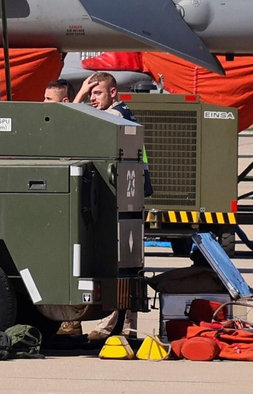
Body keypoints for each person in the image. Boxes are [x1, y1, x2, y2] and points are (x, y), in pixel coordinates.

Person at [74, 71, 145, 342]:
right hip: (130, 198)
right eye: (90, 94)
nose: (93, 99)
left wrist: (77, 95)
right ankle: (125, 326)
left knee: (119, 266)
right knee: (127, 265)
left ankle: (118, 326)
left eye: (97, 93)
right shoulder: (125, 114)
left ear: (113, 93)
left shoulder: (113, 117)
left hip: (120, 200)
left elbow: (73, 122)